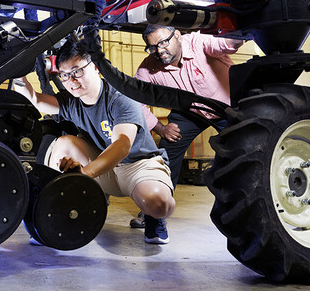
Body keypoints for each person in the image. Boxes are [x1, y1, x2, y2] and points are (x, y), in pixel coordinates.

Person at [14, 38, 175, 244]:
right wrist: (18, 73)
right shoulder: (72, 102)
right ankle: (53, 214)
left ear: (96, 67)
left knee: (159, 204)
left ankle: (154, 219)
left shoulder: (120, 95)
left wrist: (86, 172)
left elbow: (122, 145)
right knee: (64, 143)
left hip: (137, 165)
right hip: (103, 166)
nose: (71, 81)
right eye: (64, 75)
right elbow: (36, 100)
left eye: (77, 71)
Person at [132, 24, 245, 232]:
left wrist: (239, 35)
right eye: (152, 47)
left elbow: (223, 43)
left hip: (227, 107)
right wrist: (159, 128)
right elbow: (135, 102)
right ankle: (155, 212)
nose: (159, 50)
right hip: (190, 113)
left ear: (177, 35)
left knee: (245, 149)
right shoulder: (148, 68)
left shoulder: (198, 42)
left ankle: (248, 211)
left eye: (163, 42)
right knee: (167, 148)